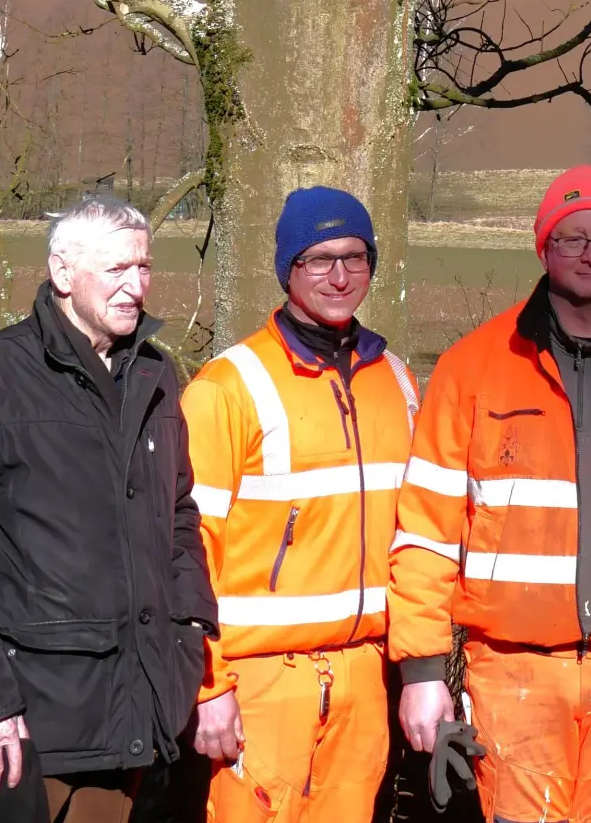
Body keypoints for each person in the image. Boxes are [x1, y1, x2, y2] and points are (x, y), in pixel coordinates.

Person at [389, 165, 591, 823]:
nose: (590, 253)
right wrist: (421, 672)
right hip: (515, 676)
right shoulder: (473, 366)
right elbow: (424, 532)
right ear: (543, 249)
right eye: (570, 238)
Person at [0, 196, 217, 823]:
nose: (136, 287)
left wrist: (189, 631)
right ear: (63, 274)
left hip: (127, 723)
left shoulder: (154, 374)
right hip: (18, 732)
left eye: (143, 267)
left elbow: (177, 515)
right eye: (115, 269)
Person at [179, 186, 420, 823]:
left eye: (355, 257)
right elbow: (184, 548)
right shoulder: (228, 387)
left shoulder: (397, 381)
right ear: (288, 269)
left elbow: (420, 536)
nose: (339, 276)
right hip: (258, 680)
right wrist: (210, 686)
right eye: (318, 259)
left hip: (365, 674)